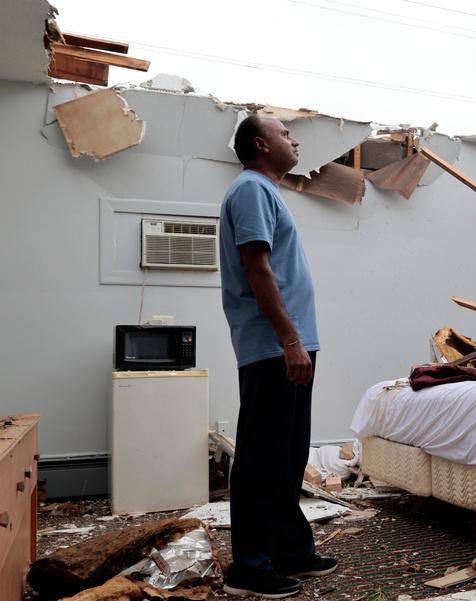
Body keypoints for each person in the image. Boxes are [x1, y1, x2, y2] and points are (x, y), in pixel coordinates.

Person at [219, 115, 337, 598]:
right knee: (262, 457)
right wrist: (289, 340)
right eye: (286, 134)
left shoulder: (265, 191)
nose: (295, 140)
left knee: (288, 454)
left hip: (289, 344)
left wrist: (297, 340)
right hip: (274, 346)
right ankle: (248, 567)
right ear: (262, 144)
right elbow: (256, 267)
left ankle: (291, 551)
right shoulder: (250, 190)